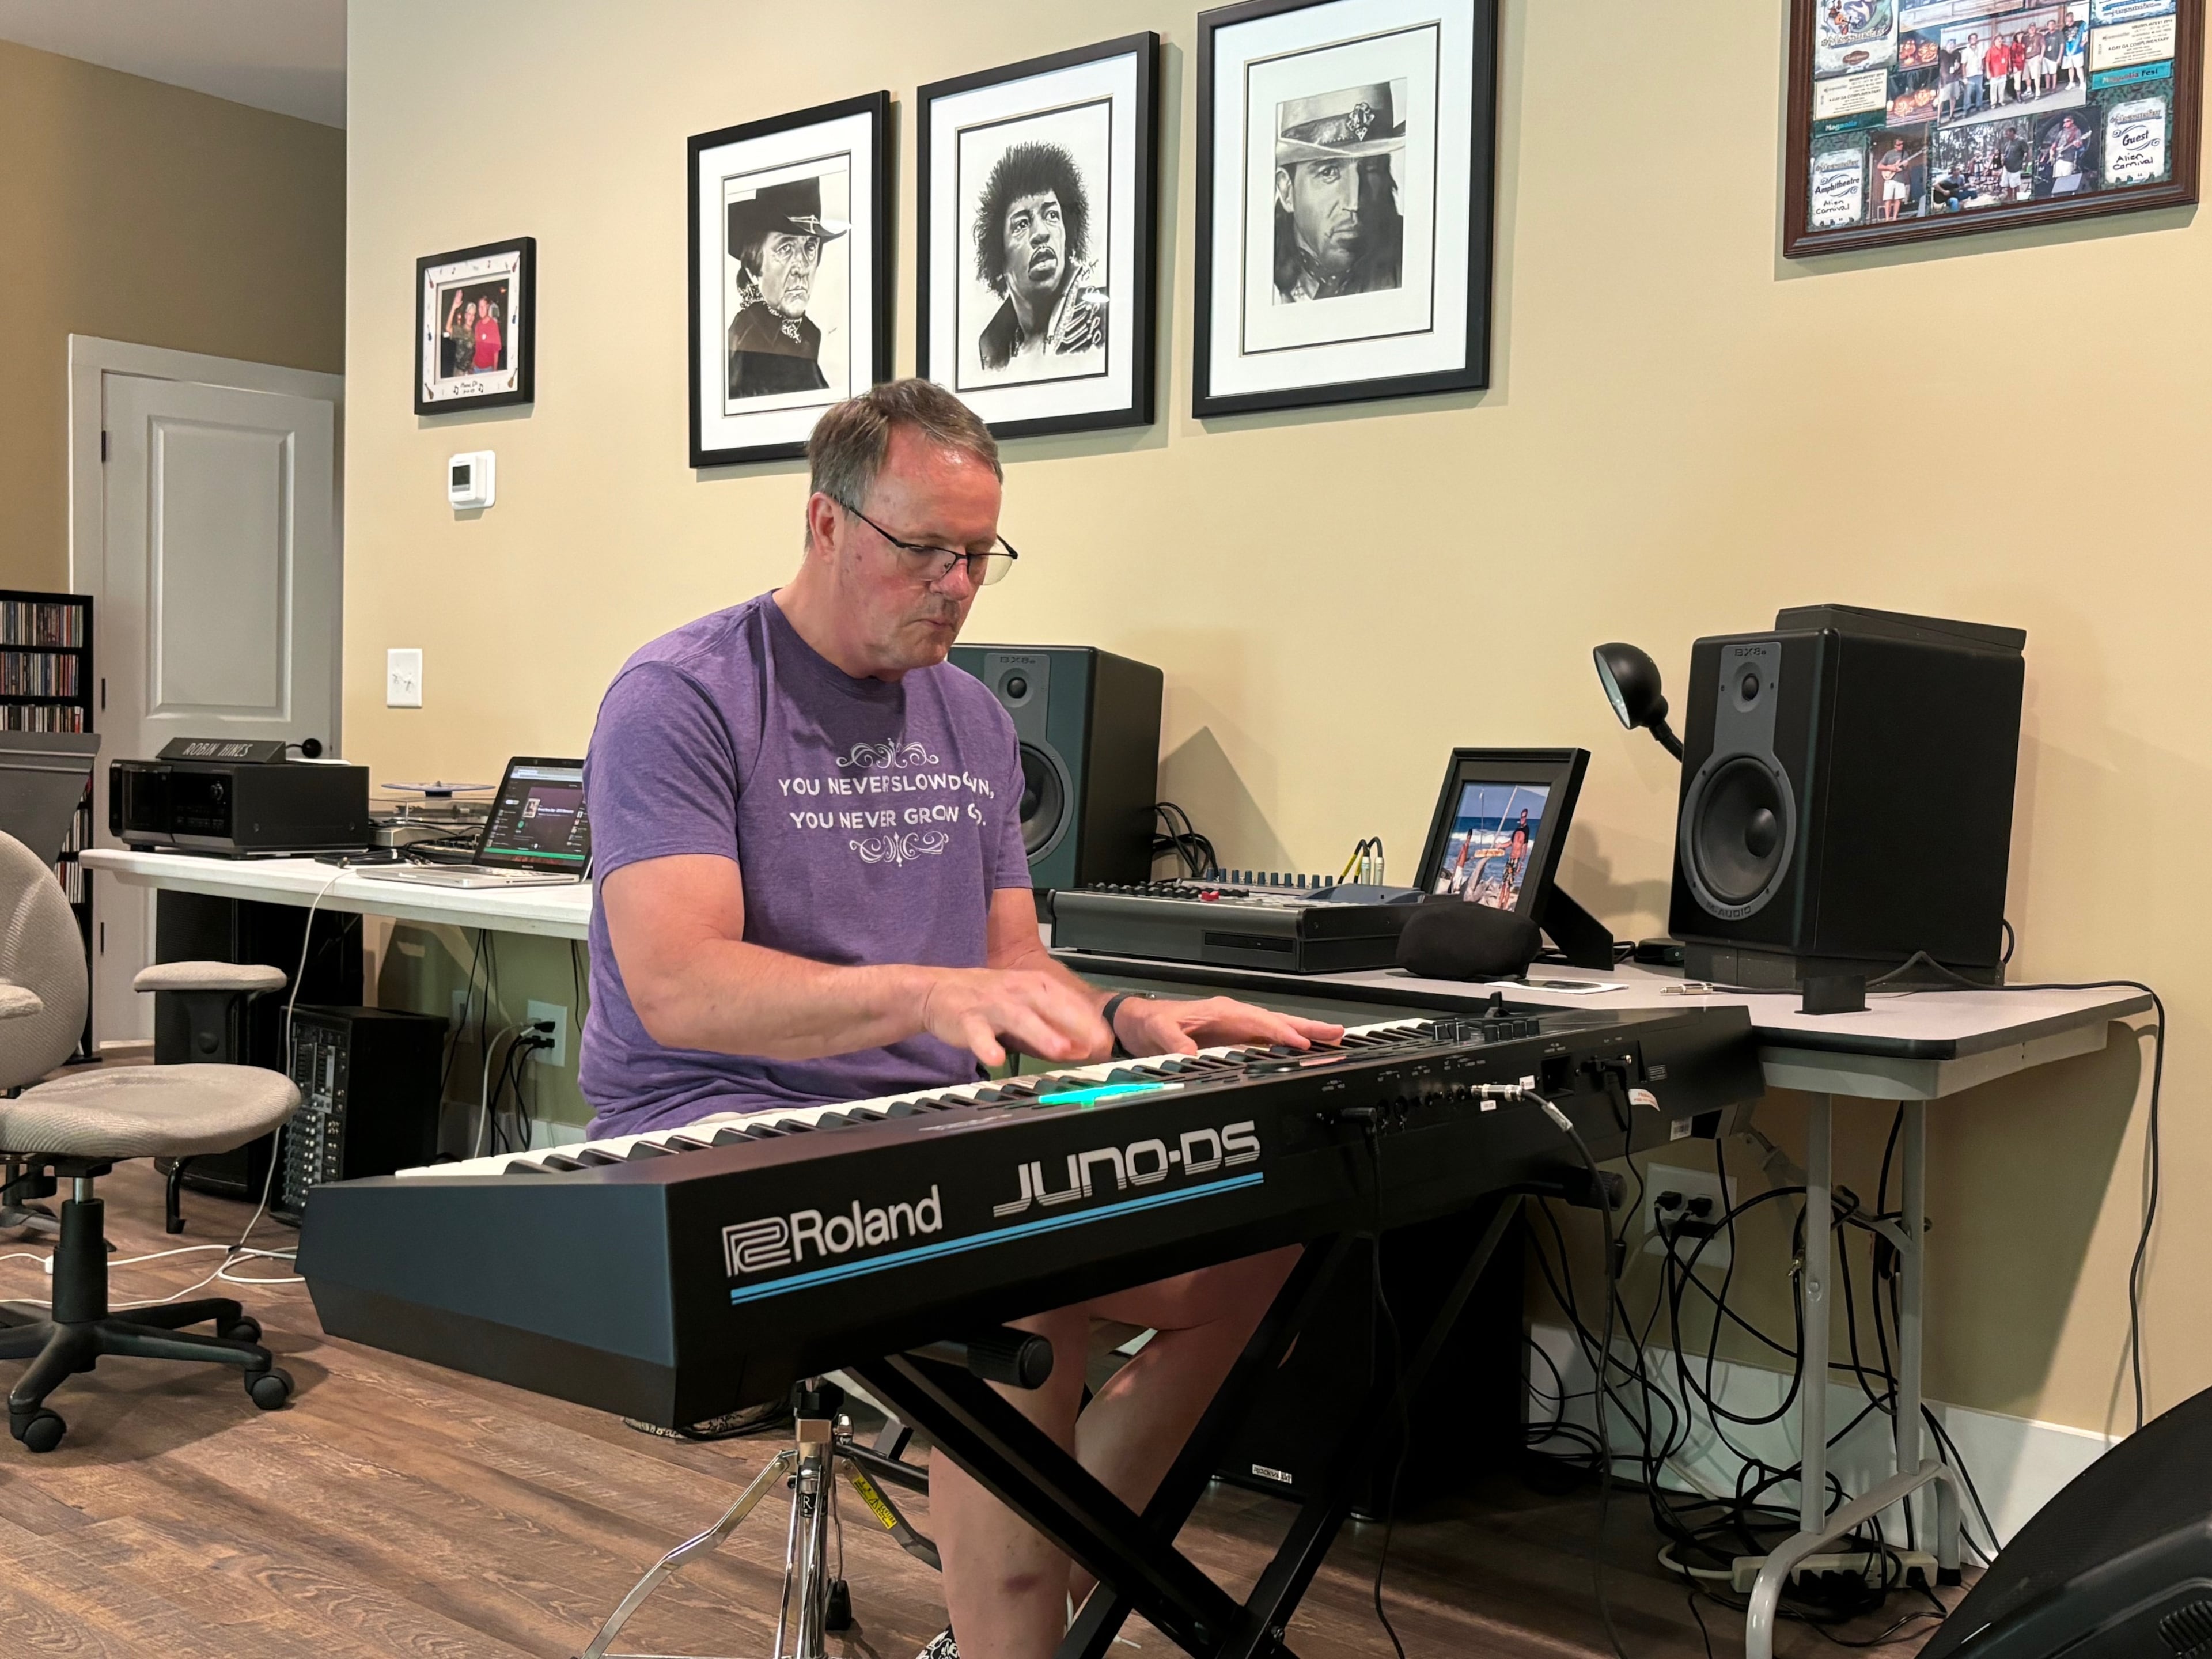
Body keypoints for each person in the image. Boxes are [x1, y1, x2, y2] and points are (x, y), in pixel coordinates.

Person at [579, 378, 1338, 1659]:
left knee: (1263, 1245)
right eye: (925, 550)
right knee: (1029, 1284)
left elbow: (1013, 977)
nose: (957, 585)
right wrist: (931, 996)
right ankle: (1014, 1626)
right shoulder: (684, 696)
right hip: (718, 1124)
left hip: (927, 1113)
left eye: (981, 556)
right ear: (826, 526)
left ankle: (1040, 1574)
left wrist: (1130, 1015)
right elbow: (682, 984)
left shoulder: (974, 719)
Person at [969, 141, 1108, 376]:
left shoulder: (1107, 320)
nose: (1041, 233)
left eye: (1052, 215)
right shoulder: (994, 354)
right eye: (1022, 224)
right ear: (999, 256)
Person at [1271, 83, 1404, 303]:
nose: (1354, 203)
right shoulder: (1247, 276)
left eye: (1371, 168)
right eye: (1329, 172)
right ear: (1287, 191)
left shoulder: (1418, 260)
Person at [726, 177, 844, 399]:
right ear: (753, 268)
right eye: (785, 248)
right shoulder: (750, 342)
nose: (802, 267)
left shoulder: (806, 336)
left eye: (810, 247)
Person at [1877, 138, 1911, 220]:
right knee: (1888, 199)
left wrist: (1906, 165)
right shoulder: (1889, 154)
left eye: (1902, 144)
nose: (1901, 146)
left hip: (1900, 179)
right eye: (1899, 145)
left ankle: (1895, 217)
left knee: (1898, 199)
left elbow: (1907, 168)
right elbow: (1879, 166)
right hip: (1890, 179)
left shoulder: (1905, 154)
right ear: (1895, 146)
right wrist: (1890, 168)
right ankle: (1887, 218)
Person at [472, 289, 503, 372]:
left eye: (483, 307)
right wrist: (473, 364)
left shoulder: (493, 325)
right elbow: (477, 348)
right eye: (479, 307)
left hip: (488, 369)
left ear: (488, 307)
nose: (481, 309)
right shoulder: (478, 325)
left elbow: (496, 352)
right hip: (476, 368)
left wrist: (495, 371)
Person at [2001, 126, 2031, 199]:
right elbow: (2005, 154)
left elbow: (2028, 152)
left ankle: (2017, 200)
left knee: (2016, 186)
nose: (2006, 136)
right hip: (2007, 168)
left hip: (2016, 167)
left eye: (2007, 133)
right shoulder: (2008, 143)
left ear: (2012, 132)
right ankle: (2010, 200)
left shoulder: (2021, 141)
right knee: (2008, 186)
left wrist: (2026, 164)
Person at [1960, 32, 1987, 112]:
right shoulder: (1965, 51)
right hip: (1970, 75)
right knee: (1968, 94)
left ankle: (1979, 106)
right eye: (1972, 38)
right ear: (1969, 41)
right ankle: (1966, 109)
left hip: (1979, 74)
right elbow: (1963, 65)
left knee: (1980, 91)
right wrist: (1964, 77)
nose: (1974, 40)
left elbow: (1983, 59)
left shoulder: (1980, 49)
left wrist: (1983, 66)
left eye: (1975, 38)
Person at [2062, 14, 2086, 90]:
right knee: (2070, 68)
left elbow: (2087, 31)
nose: (2070, 18)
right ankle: (2072, 83)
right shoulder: (2064, 29)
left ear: (2073, 17)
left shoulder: (2080, 24)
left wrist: (2085, 41)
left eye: (2071, 16)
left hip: (2077, 50)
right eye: (2068, 17)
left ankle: (2082, 83)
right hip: (2068, 52)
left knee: (2079, 67)